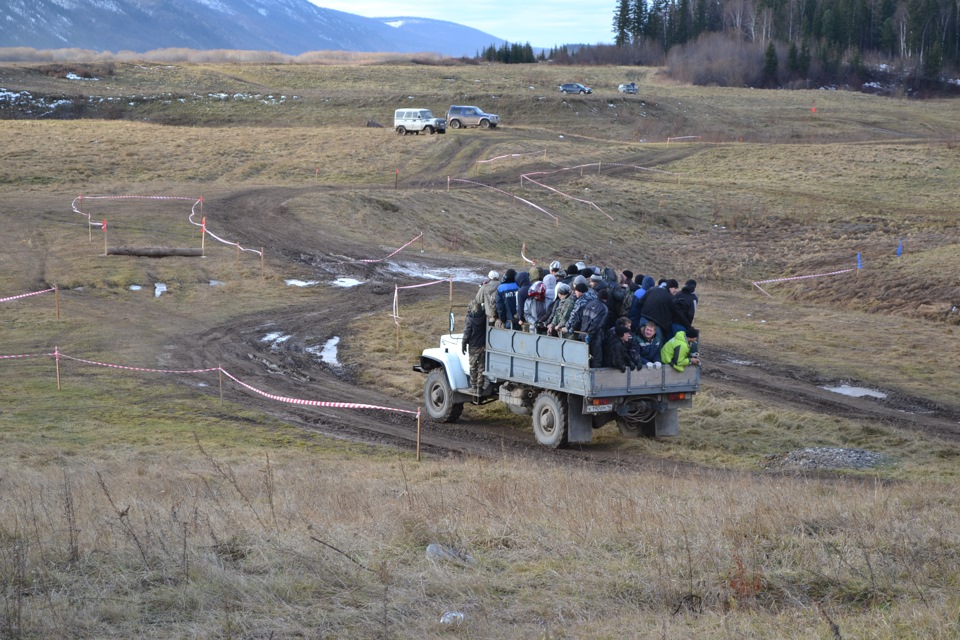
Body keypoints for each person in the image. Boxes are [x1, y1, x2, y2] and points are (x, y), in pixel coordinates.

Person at [461, 302, 489, 399]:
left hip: (473, 347)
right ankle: (479, 388)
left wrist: (463, 344)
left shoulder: (469, 320)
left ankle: (473, 386)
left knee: (473, 367)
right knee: (481, 368)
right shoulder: (484, 317)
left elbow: (467, 334)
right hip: (483, 346)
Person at [637, 278, 679, 342]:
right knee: (656, 343)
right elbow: (675, 313)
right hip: (658, 324)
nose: (675, 290)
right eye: (675, 288)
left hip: (644, 318)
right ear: (670, 287)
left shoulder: (652, 289)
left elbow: (640, 302)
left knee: (639, 339)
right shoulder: (671, 298)